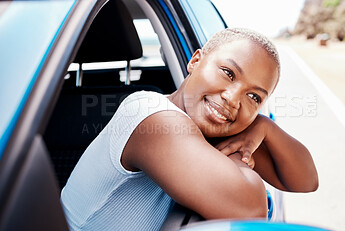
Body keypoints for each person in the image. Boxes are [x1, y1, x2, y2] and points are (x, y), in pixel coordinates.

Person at [61, 28, 318, 231]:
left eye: (254, 97)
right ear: (195, 61)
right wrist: (241, 154)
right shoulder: (149, 114)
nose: (232, 99)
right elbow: (250, 211)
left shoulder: (218, 124)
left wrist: (265, 126)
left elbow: (306, 180)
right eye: (228, 73)